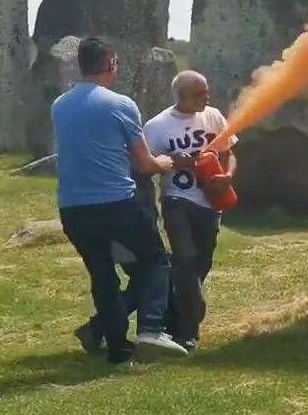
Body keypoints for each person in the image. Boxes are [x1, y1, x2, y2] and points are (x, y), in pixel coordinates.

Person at [53, 37, 188, 363]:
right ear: (111, 63)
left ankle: (116, 348)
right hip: (116, 202)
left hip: (72, 206)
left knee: (102, 275)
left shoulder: (59, 104)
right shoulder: (120, 104)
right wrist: (167, 162)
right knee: (155, 261)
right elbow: (144, 164)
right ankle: (151, 331)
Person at [143, 70, 236, 353]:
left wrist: (228, 176)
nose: (206, 98)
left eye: (206, 91)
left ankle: (174, 318)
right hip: (177, 200)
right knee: (185, 258)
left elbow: (228, 153)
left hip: (210, 202)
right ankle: (189, 329)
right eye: (199, 93)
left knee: (200, 265)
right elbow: (146, 163)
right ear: (180, 96)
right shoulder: (158, 125)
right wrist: (172, 160)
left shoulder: (214, 116)